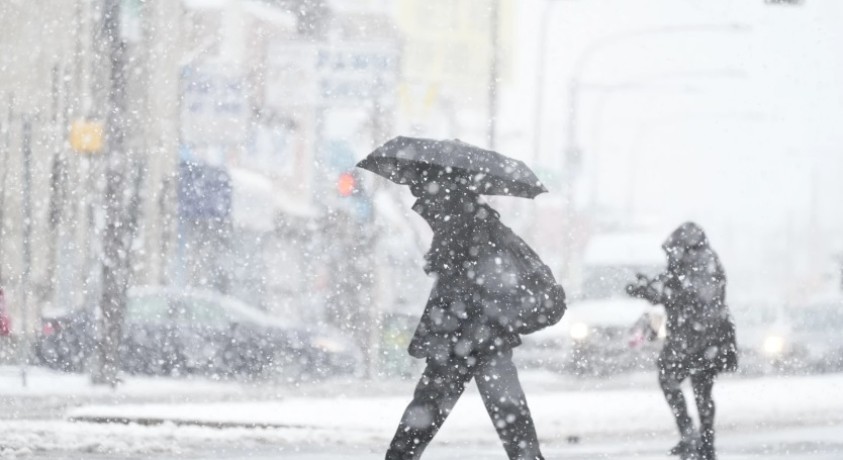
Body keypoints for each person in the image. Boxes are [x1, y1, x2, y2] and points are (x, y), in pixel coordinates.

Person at [385, 177, 561, 460]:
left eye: (422, 190)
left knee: (428, 410)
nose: (419, 197)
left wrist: (438, 261)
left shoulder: (461, 221)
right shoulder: (479, 221)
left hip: (462, 335)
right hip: (482, 335)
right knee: (509, 414)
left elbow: (461, 278)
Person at [626, 222, 738, 460]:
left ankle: (699, 439)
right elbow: (672, 297)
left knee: (692, 386)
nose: (671, 256)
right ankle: (696, 437)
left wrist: (668, 291)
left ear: (686, 247)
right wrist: (647, 291)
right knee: (688, 385)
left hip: (702, 337)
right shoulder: (689, 265)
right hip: (692, 337)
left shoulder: (704, 263)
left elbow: (699, 298)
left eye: (674, 250)